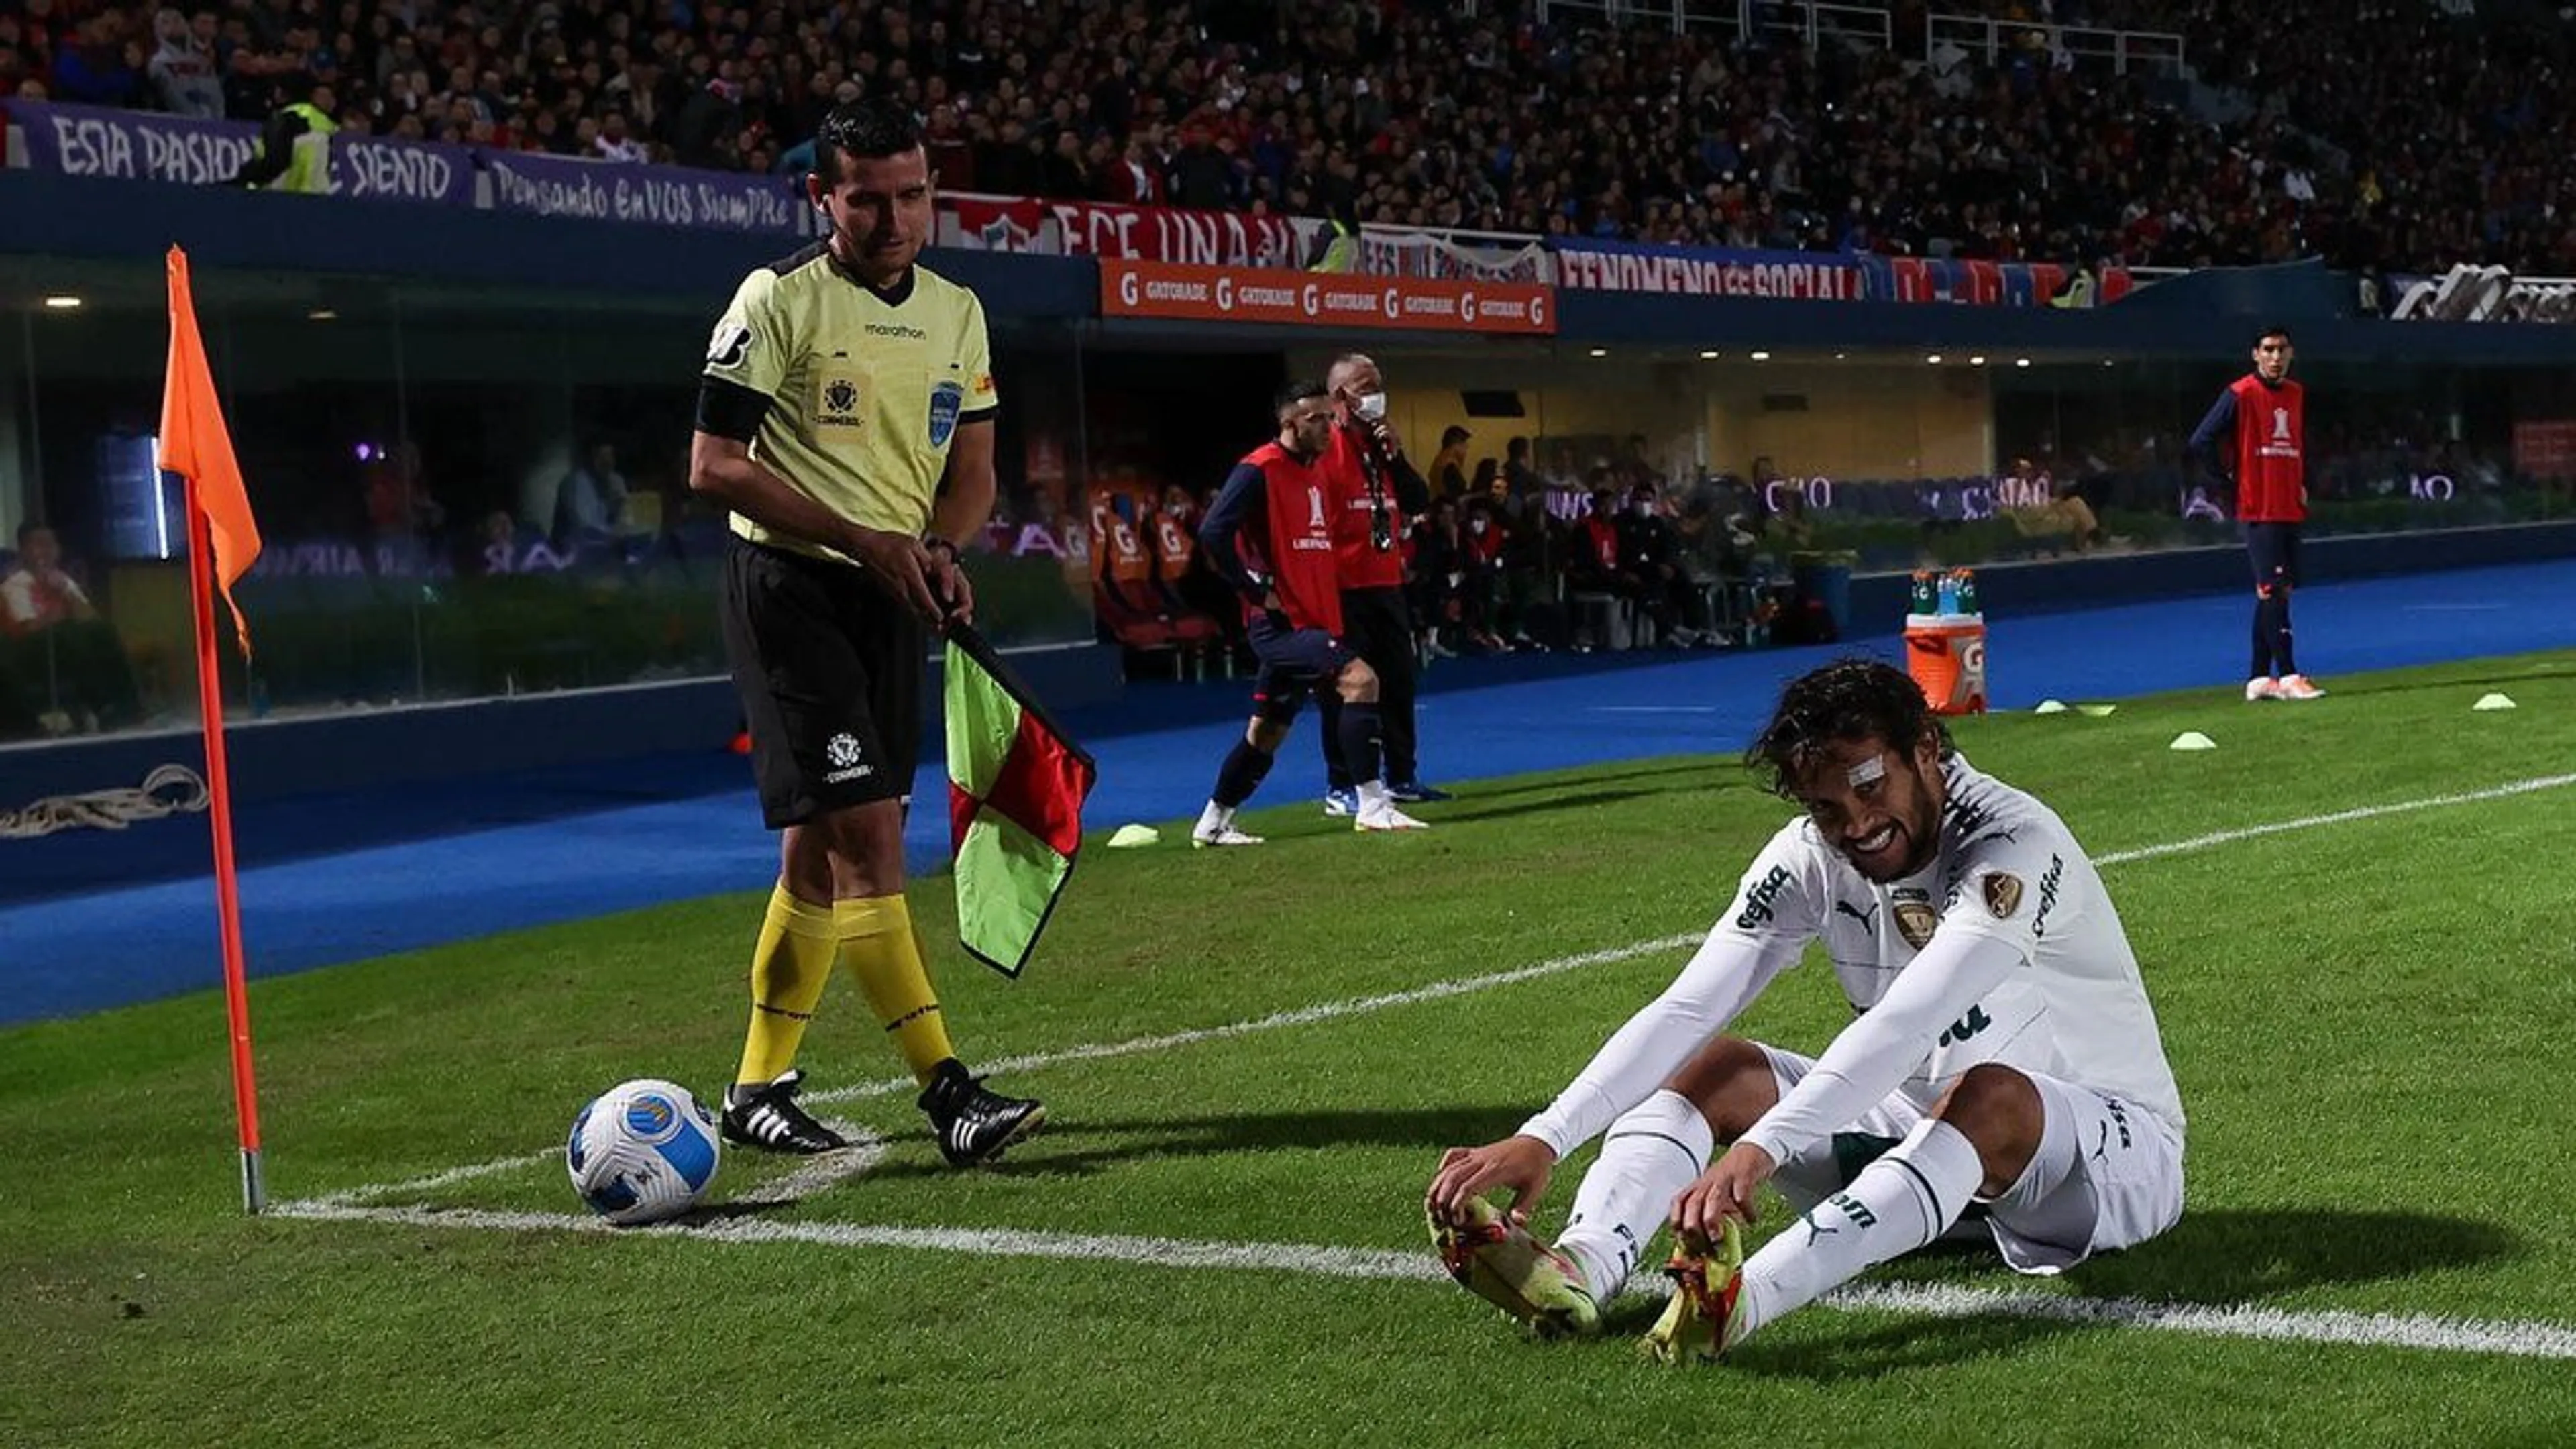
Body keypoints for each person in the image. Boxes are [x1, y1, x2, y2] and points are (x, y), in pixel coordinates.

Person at [1425, 657, 2186, 1360]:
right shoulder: (1811, 856)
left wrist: (1763, 1151)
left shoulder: (2011, 844)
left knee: (1988, 1091)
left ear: (1926, 750)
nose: (1855, 823)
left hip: (2103, 1160)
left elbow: (1904, 1024)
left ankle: (1742, 1300)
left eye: (1868, 786)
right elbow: (1691, 1004)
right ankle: (1582, 1267)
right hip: (1929, 1139)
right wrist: (1545, 1138)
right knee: (1718, 1066)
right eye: (1827, 807)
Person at [688, 99, 1042, 1167]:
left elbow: (971, 474)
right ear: (824, 197)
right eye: (867, 198)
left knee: (819, 847)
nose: (893, 218)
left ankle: (757, 1087)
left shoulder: (958, 313)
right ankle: (949, 1094)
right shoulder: (779, 299)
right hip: (789, 590)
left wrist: (937, 551)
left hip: (887, 595)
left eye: (912, 195)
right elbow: (714, 465)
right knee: (871, 844)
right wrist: (868, 538)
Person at [1189, 380, 1425, 846]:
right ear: (1289, 423)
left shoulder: (1315, 472)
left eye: (1328, 418)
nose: (1327, 427)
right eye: (1316, 419)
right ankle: (1373, 805)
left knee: (1267, 733)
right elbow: (1214, 531)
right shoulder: (1260, 469)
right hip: (1280, 626)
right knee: (1362, 680)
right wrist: (1253, 588)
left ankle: (1213, 823)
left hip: (1313, 619)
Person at [1315, 353, 1447, 816]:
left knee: (1399, 681)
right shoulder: (1324, 447)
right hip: (1340, 588)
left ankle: (1403, 776)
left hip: (1384, 582)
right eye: (1365, 386)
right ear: (1340, 396)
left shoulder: (1379, 446)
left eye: (1378, 384)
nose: (1375, 395)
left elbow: (1417, 500)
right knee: (1346, 688)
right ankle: (1342, 785)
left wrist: (1397, 454)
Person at [2189, 325, 2324, 702]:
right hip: (2259, 505)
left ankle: (2259, 677)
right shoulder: (2241, 393)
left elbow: (2295, 445)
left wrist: (2300, 481)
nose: (2276, 357)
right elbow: (2201, 440)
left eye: (2282, 350)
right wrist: (2228, 479)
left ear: (2291, 353)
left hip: (2289, 505)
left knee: (2277, 592)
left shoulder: (2296, 394)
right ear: (2255, 354)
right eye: (2268, 350)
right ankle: (2291, 676)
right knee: (2273, 590)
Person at [1, 523, 144, 733]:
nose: (47, 550)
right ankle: (103, 707)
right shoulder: (16, 585)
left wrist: (65, 591)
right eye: (39, 544)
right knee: (68, 634)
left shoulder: (62, 580)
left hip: (67, 644)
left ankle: (130, 706)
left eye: (51, 544)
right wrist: (59, 617)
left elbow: (92, 619)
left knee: (103, 631)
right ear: (24, 551)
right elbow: (27, 629)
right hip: (32, 652)